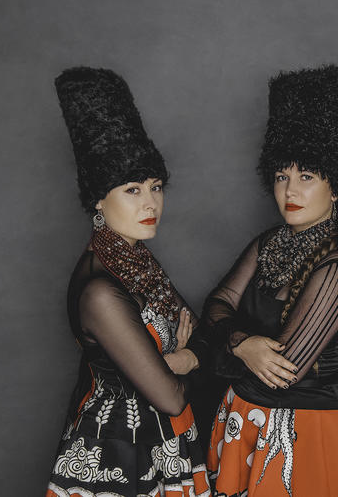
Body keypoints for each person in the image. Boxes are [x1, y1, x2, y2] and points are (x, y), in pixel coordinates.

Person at [200, 62, 338, 496]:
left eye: (306, 177)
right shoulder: (269, 242)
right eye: (282, 176)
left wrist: (220, 343)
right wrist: (244, 346)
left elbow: (283, 370)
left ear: (335, 186)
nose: (290, 191)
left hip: (310, 434)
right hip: (248, 420)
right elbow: (216, 301)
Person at [46, 68, 210, 497]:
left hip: (164, 443)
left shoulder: (135, 261)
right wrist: (187, 359)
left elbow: (199, 329)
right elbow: (171, 396)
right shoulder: (101, 290)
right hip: (117, 455)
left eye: (156, 187)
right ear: (99, 198)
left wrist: (184, 357)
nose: (151, 202)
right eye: (132, 190)